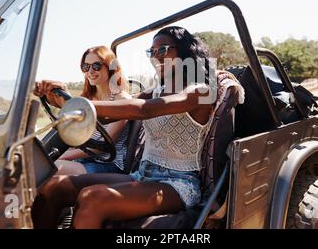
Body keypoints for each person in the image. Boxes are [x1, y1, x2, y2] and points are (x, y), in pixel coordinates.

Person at [31, 26, 244, 229]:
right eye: (151, 51)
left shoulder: (200, 92)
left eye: (162, 49)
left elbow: (143, 110)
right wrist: (61, 101)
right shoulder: (156, 91)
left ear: (185, 52)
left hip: (178, 184)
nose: (155, 56)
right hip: (141, 175)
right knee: (53, 187)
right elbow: (113, 111)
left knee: (92, 198)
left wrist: (79, 105)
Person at [34, 45, 132, 175]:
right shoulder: (87, 98)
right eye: (86, 67)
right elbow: (71, 129)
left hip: (109, 164)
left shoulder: (122, 99)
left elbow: (102, 145)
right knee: (33, 163)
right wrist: (50, 97)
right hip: (85, 158)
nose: (90, 71)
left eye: (96, 66)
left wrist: (62, 156)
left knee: (48, 167)